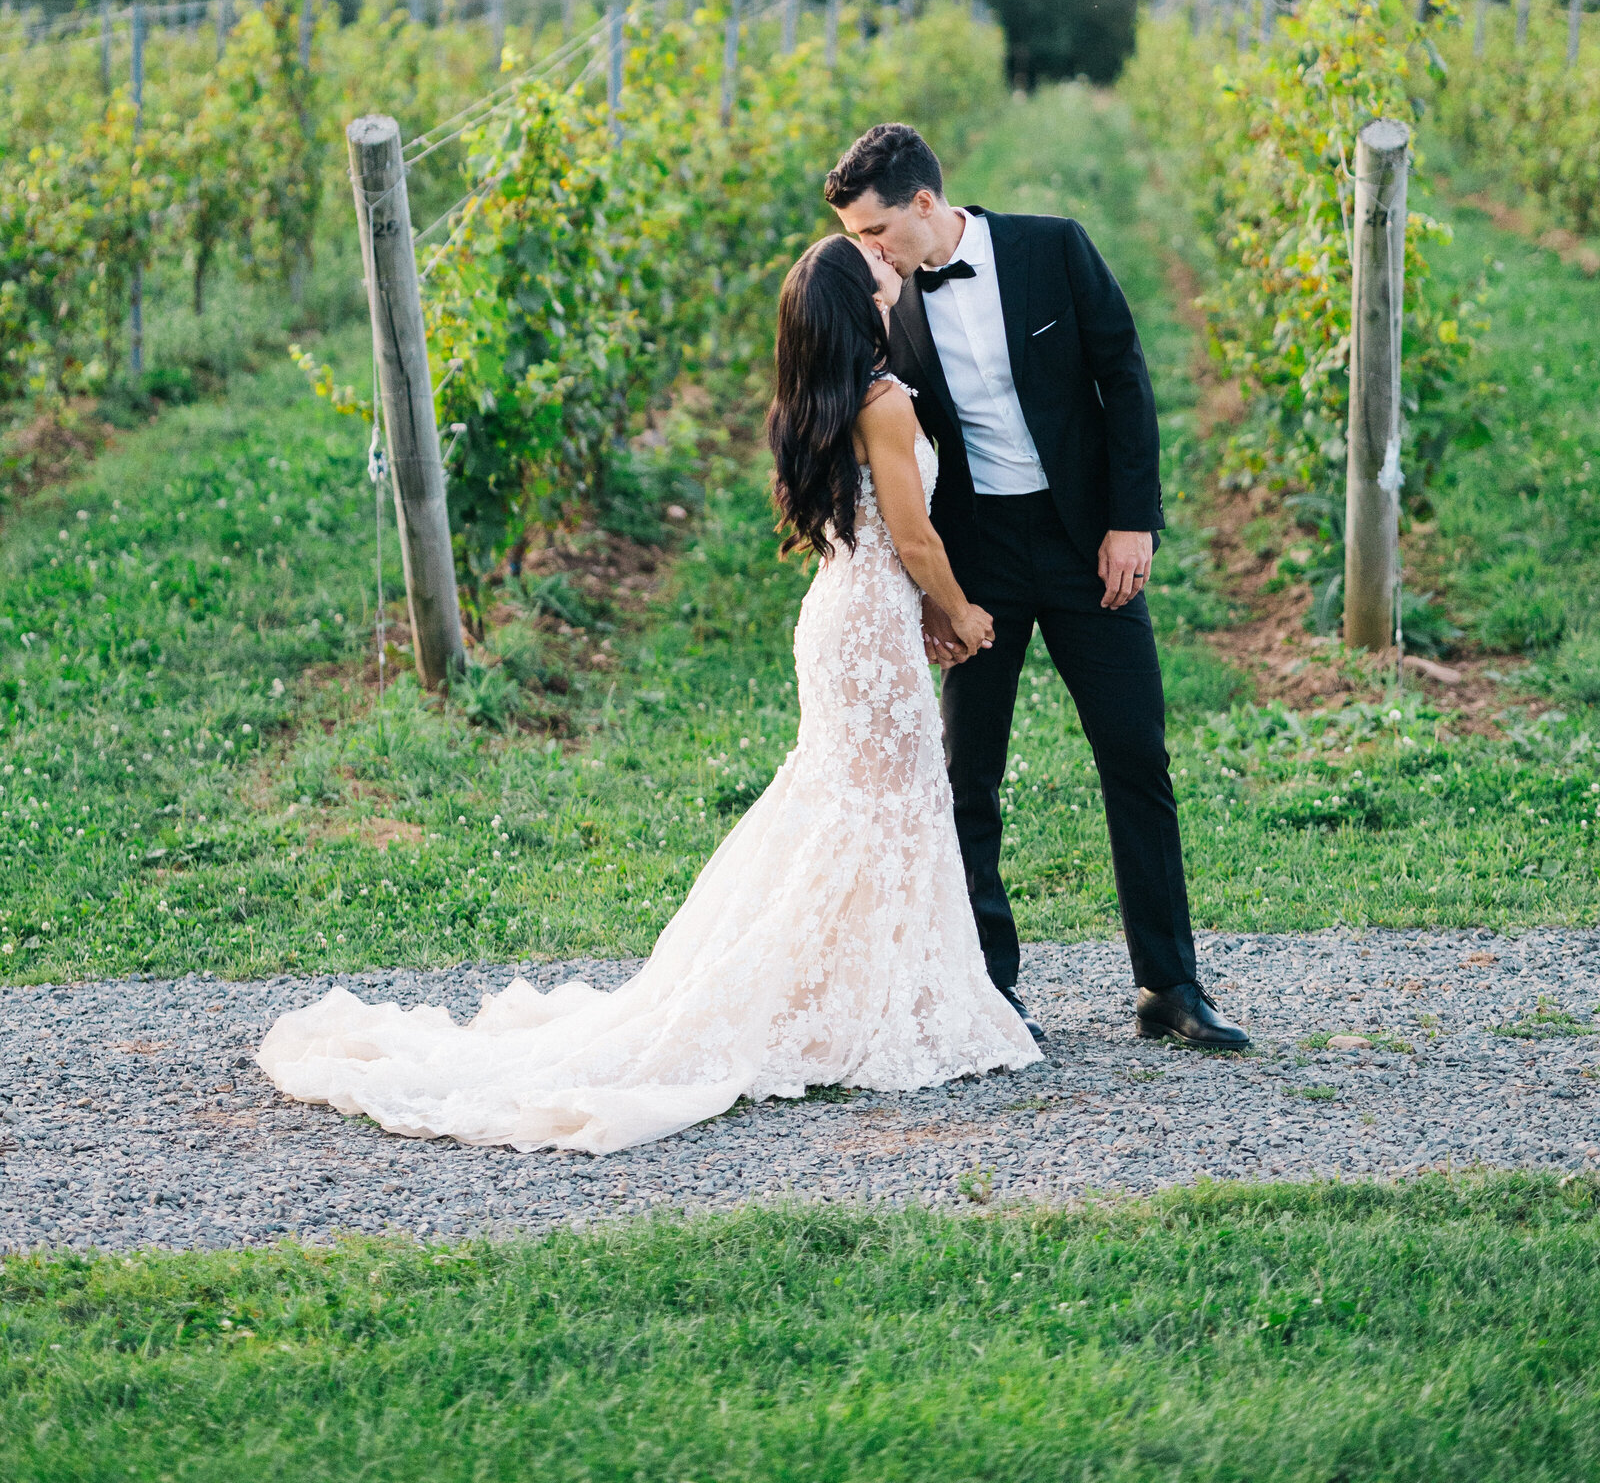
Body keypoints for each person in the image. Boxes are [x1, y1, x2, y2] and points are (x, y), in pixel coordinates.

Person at [255, 231, 1039, 1157]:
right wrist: (963, 614)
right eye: (873, 269)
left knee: (855, 809)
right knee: (887, 808)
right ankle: (874, 1000)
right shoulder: (887, 402)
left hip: (839, 618)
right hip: (870, 623)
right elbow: (913, 540)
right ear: (856, 302)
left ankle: (859, 991)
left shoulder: (817, 401)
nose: (888, 273)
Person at [827, 121, 1247, 1051]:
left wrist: (1131, 520)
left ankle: (1169, 985)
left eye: (876, 231)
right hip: (974, 559)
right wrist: (929, 590)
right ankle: (992, 989)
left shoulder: (1054, 247)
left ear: (925, 204)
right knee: (966, 774)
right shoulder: (885, 301)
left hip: (1085, 540)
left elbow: (1124, 379)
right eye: (859, 238)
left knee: (1136, 756)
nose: (870, 252)